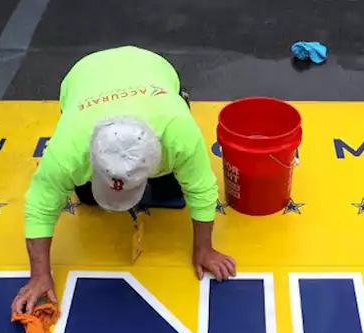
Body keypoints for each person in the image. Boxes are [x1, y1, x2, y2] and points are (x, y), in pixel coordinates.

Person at [12, 46, 236, 316]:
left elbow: (201, 188)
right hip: (85, 74)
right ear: (93, 159)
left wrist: (205, 249)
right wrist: (39, 275)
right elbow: (40, 205)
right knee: (86, 198)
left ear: (154, 160)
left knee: (172, 192)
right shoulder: (68, 149)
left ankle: (179, 101)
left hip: (151, 66)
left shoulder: (178, 132)